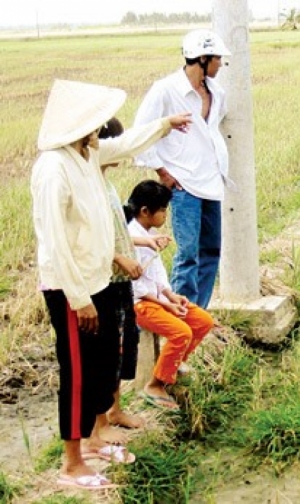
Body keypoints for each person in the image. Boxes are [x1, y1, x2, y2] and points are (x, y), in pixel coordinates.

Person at [31, 79, 192, 489]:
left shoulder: (87, 155)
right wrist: (79, 297)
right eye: (96, 122)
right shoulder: (54, 168)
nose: (102, 131)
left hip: (99, 282)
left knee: (101, 366)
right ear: (78, 123)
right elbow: (55, 241)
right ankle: (71, 464)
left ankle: (89, 443)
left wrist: (165, 124)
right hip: (73, 290)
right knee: (78, 372)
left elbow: (129, 142)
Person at [133, 28, 232, 310]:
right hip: (184, 184)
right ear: (202, 58)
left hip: (211, 180)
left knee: (211, 250)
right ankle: (178, 316)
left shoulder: (217, 92)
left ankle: (197, 312)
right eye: (217, 59)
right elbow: (141, 132)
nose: (220, 64)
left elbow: (209, 132)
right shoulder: (165, 90)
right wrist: (162, 171)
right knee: (188, 254)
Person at [96, 117, 172, 440]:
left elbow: (120, 232)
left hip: (120, 278)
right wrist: (119, 258)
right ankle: (100, 423)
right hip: (106, 280)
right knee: (106, 350)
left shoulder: (107, 185)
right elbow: (97, 239)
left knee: (121, 347)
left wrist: (142, 243)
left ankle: (115, 409)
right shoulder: (91, 186)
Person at [126, 180, 215, 410]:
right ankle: (155, 384)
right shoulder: (132, 240)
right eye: (163, 210)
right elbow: (137, 288)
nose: (166, 215)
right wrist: (165, 305)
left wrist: (171, 296)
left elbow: (158, 274)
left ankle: (171, 368)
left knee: (203, 321)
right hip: (141, 304)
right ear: (146, 211)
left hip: (158, 298)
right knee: (181, 332)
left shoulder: (149, 234)